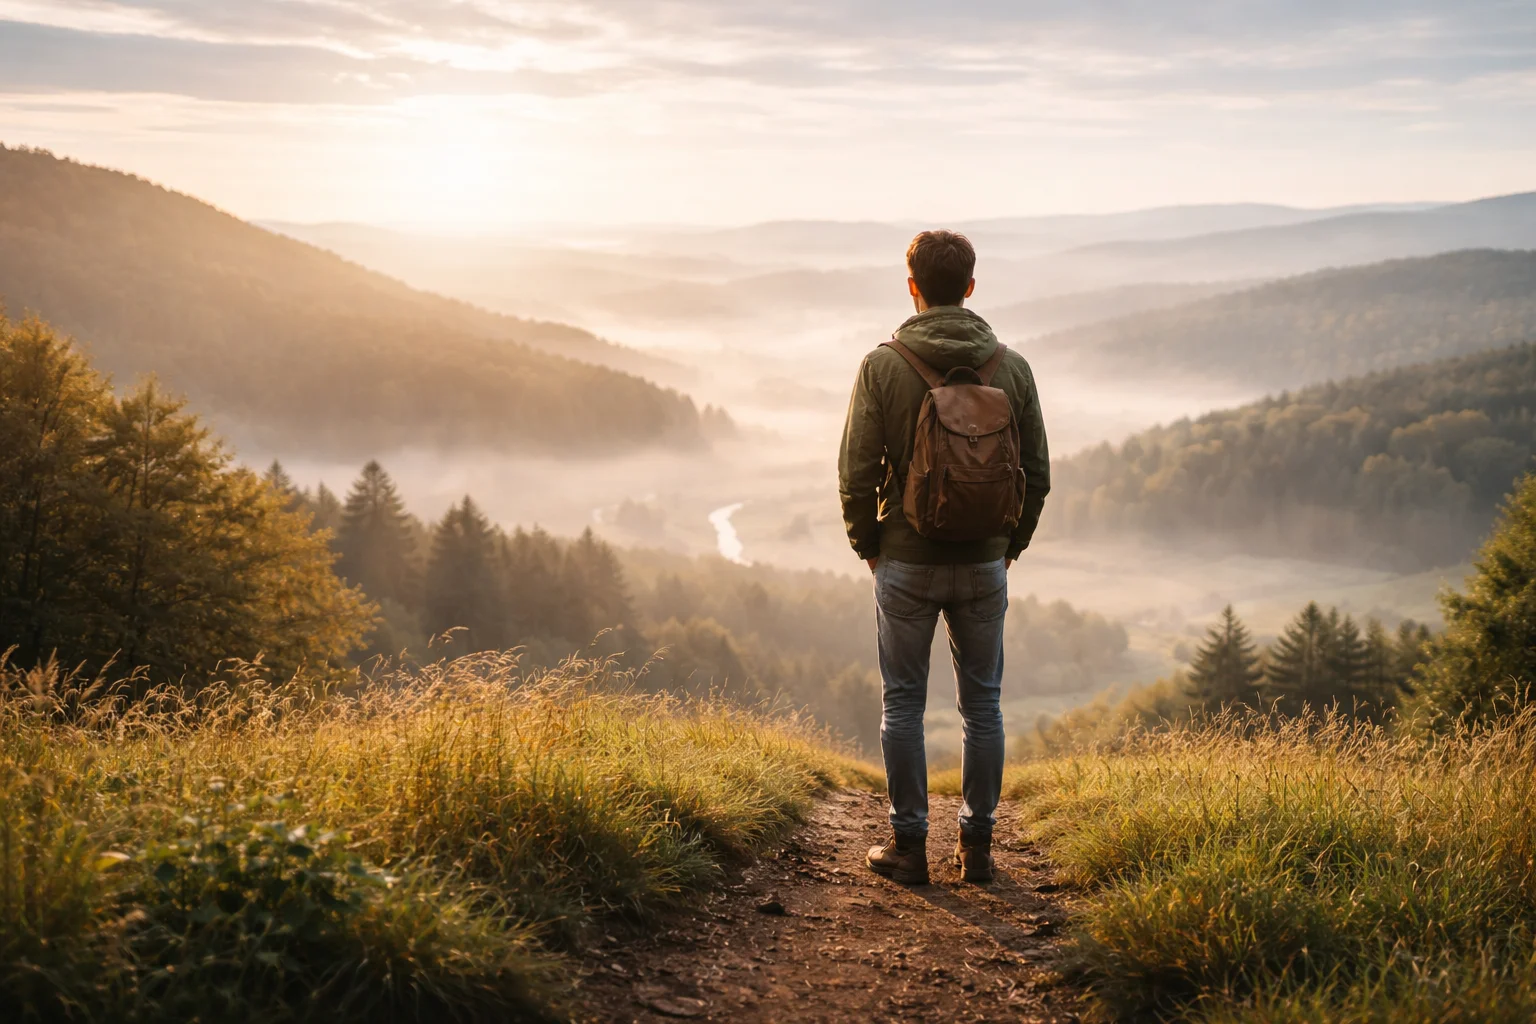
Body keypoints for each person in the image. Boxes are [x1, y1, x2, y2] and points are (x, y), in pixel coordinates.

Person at [838, 230, 1050, 885]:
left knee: (902, 704)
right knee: (982, 707)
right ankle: (978, 850)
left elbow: (854, 470)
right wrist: (1008, 547)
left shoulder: (884, 365)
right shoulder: (1011, 367)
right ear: (971, 287)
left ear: (912, 287)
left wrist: (869, 546)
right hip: (985, 564)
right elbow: (1036, 473)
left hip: (904, 562)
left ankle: (909, 849)